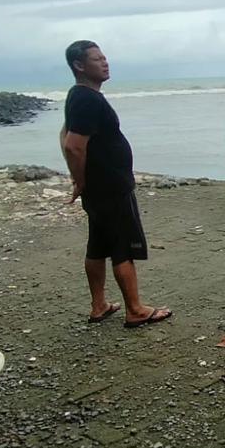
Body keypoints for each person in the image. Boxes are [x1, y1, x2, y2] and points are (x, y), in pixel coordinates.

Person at [59, 40, 171, 328]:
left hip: (99, 187)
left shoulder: (79, 95)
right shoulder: (87, 99)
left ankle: (99, 305)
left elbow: (65, 134)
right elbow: (73, 145)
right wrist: (79, 180)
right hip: (109, 187)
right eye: (97, 59)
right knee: (123, 246)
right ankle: (135, 310)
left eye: (105, 57)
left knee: (98, 245)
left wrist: (79, 179)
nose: (105, 62)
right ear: (79, 65)